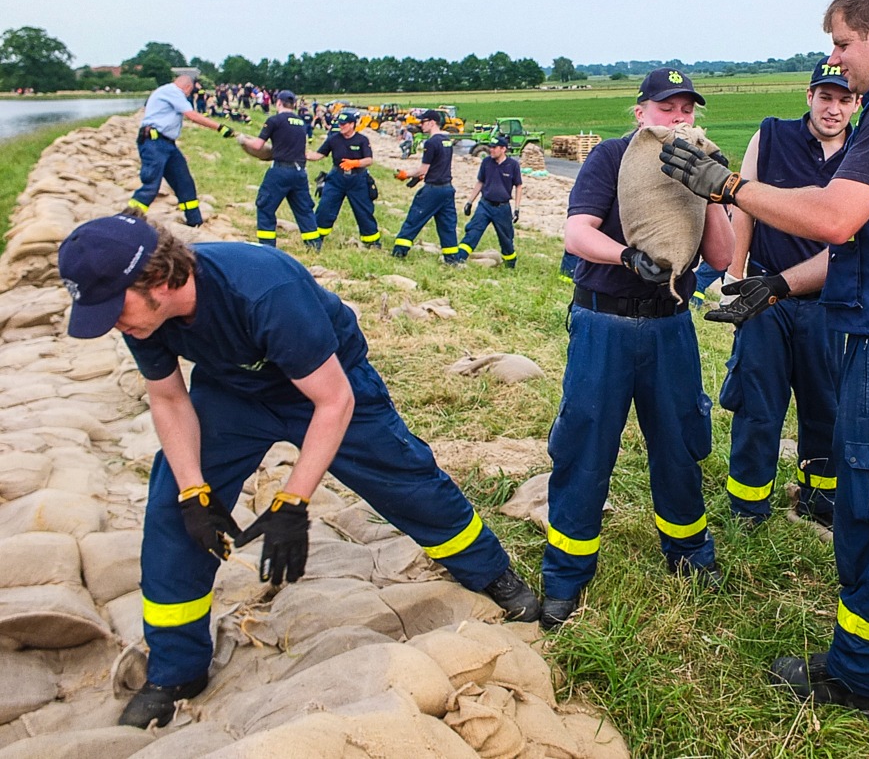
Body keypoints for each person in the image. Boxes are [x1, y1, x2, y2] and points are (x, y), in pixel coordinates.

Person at [57, 215, 542, 729]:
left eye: (113, 308)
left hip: (330, 383)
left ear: (157, 278)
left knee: (408, 484)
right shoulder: (143, 318)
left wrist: (293, 503)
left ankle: (491, 573)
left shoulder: (262, 290)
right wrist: (193, 489)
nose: (111, 322)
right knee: (173, 512)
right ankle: (177, 669)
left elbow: (333, 402)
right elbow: (169, 396)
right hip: (233, 392)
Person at [660, 0, 869, 723]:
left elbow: (836, 220)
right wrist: (775, 286)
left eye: (841, 43)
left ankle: (860, 678)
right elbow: (868, 246)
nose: (836, 64)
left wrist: (729, 187)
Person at [540, 68, 734, 630]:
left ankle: (688, 555)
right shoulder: (610, 158)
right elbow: (577, 233)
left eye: (686, 110)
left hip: (671, 326)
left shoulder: (699, 163)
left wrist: (715, 192)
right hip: (605, 326)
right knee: (585, 442)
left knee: (680, 440)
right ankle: (566, 575)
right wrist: (626, 257)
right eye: (666, 108)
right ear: (641, 111)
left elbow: (720, 258)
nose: (678, 119)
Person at [709, 59, 858, 531]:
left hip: (829, 304)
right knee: (757, 404)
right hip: (764, 295)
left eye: (844, 99)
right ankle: (748, 507)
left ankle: (819, 498)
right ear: (808, 96)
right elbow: (744, 207)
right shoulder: (770, 136)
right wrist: (734, 277)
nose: (833, 109)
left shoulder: (864, 154)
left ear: (857, 102)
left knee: (826, 407)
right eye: (825, 97)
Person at [128, 73, 236, 225]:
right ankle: (129, 218)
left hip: (167, 144)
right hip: (154, 143)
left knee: (184, 182)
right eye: (190, 92)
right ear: (188, 87)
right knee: (151, 185)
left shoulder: (165, 91)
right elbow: (192, 115)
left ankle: (194, 221)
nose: (189, 95)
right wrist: (219, 127)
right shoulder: (173, 92)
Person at [236, 90, 321, 250]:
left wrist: (243, 140)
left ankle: (267, 247)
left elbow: (258, 146)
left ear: (278, 103)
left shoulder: (274, 120)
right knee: (303, 209)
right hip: (300, 172)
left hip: (280, 171)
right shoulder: (301, 122)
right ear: (294, 104)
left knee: (265, 206)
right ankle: (314, 245)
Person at [392, 109, 462, 263]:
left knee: (414, 219)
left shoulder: (431, 143)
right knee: (447, 225)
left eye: (423, 122)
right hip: (447, 189)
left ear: (432, 122)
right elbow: (439, 166)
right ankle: (452, 259)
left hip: (433, 190)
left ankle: (399, 251)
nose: (421, 125)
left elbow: (424, 169)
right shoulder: (447, 141)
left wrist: (406, 174)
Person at [310, 110, 382, 248]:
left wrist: (355, 163)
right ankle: (316, 238)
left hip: (358, 179)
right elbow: (319, 155)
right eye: (340, 124)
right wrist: (303, 155)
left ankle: (372, 241)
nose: (341, 126)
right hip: (337, 178)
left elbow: (369, 160)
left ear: (352, 124)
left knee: (364, 211)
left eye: (344, 124)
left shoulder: (362, 140)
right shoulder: (333, 139)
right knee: (326, 207)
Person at [457, 135, 522, 268]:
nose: (491, 150)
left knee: (506, 238)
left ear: (503, 149)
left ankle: (510, 264)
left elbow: (518, 186)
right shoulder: (486, 162)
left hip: (502, 208)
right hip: (485, 205)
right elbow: (480, 182)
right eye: (490, 147)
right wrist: (469, 202)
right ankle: (459, 259)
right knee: (473, 231)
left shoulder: (513, 165)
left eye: (494, 147)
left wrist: (517, 209)